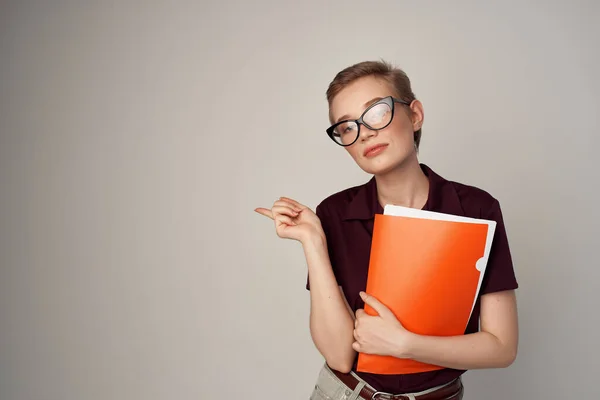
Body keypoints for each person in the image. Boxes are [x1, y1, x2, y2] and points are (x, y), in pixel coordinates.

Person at [255, 60, 519, 400]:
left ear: (415, 114)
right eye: (346, 127)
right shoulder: (334, 213)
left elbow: (501, 347)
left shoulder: (476, 208)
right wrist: (312, 241)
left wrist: (404, 344)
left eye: (376, 112)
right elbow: (338, 355)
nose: (363, 132)